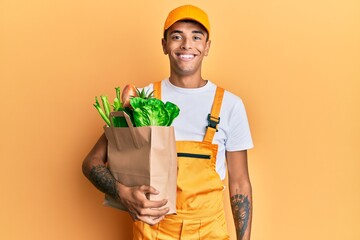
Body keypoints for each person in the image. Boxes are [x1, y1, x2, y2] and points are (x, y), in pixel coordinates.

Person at [82, 5, 253, 240]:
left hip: (209, 233)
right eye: (176, 36)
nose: (186, 44)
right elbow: (91, 162)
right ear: (164, 45)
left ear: (207, 47)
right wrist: (122, 193)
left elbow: (240, 182)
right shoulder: (140, 100)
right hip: (152, 231)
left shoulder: (230, 105)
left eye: (196, 36)